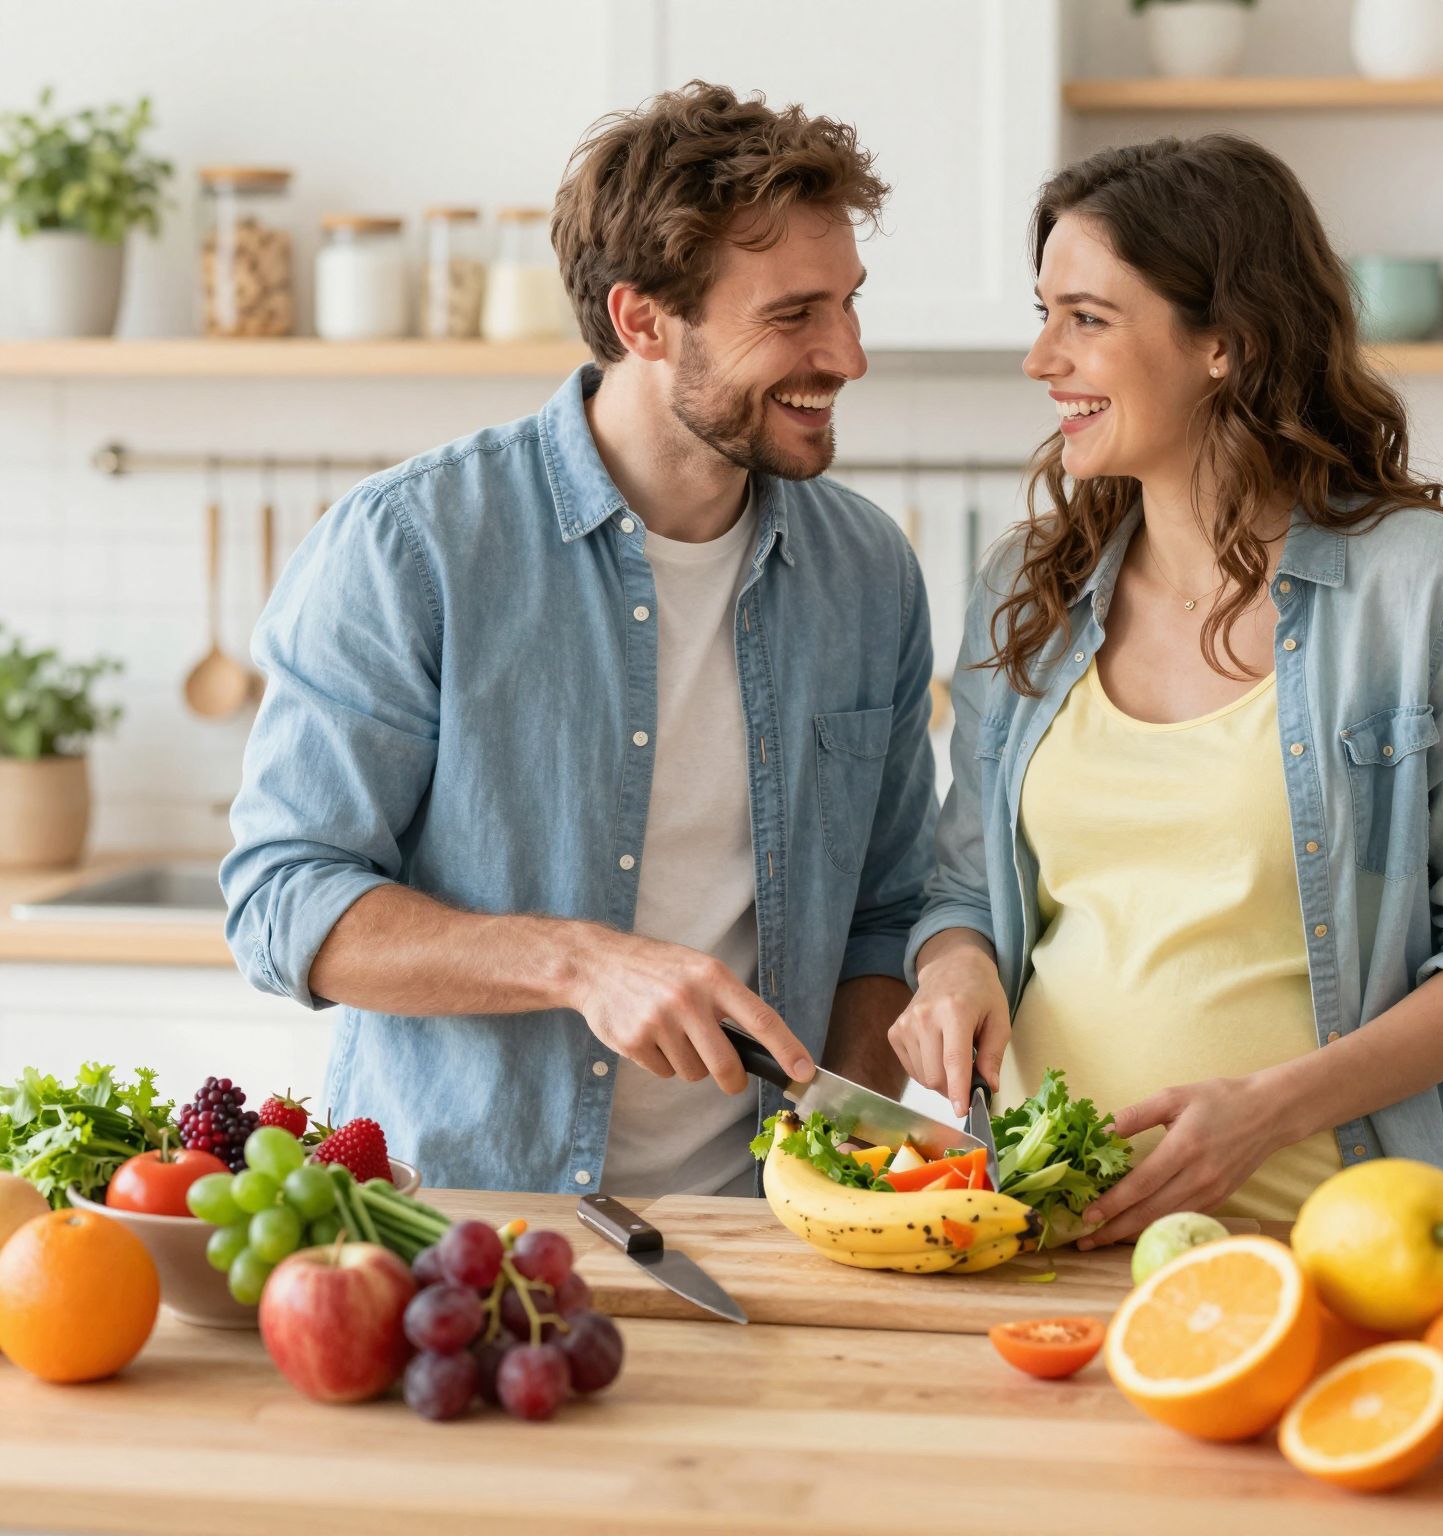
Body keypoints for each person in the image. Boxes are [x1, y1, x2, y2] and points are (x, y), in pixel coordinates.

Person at [222, 83, 935, 1196]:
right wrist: (578, 964)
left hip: (763, 1235)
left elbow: (884, 918)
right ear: (641, 320)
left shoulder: (868, 572)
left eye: (848, 303)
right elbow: (281, 898)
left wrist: (839, 1161)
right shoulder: (415, 546)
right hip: (470, 1225)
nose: (846, 353)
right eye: (793, 314)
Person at [888, 135, 1443, 1247]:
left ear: (1226, 342)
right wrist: (955, 971)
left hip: (1329, 1246)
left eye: (1086, 319)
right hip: (1041, 1235)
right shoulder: (1027, 588)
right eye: (1044, 314)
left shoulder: (1425, 588)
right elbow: (966, 888)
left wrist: (1267, 1112)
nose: (1040, 358)